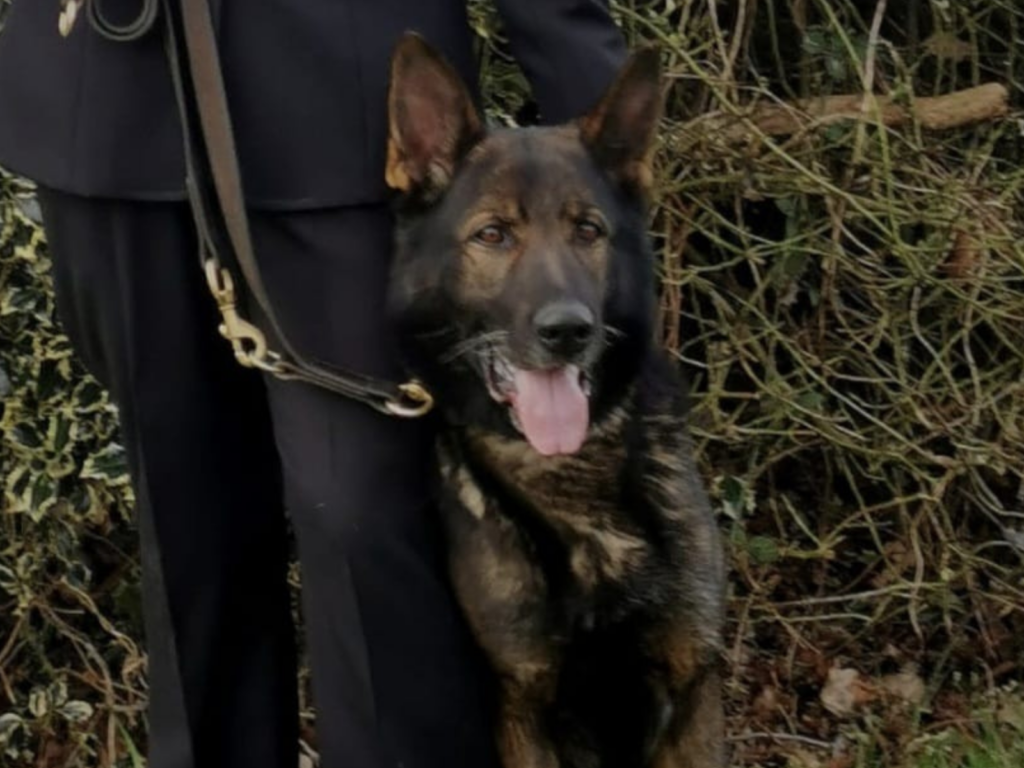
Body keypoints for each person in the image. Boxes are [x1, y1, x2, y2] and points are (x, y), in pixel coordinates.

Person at [0, 1, 627, 767]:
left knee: (367, 521)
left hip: (353, 110)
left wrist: (597, 128)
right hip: (104, 89)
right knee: (187, 519)